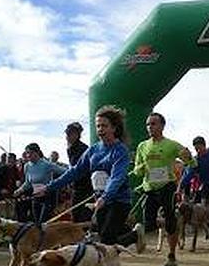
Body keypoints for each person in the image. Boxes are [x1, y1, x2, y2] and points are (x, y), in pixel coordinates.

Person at [39, 106, 144, 252]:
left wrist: (106, 196)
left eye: (104, 126)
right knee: (105, 236)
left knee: (106, 239)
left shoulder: (120, 151)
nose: (100, 129)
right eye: (98, 126)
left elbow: (116, 177)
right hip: (100, 200)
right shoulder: (93, 150)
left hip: (119, 200)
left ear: (114, 128)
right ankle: (134, 236)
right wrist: (49, 187)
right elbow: (75, 171)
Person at [133, 112, 194, 266]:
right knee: (149, 225)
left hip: (167, 186)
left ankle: (171, 255)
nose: (150, 127)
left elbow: (191, 162)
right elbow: (137, 171)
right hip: (149, 188)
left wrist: (188, 156)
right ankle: (160, 225)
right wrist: (141, 166)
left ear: (162, 126)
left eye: (153, 124)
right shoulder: (142, 146)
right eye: (148, 124)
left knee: (171, 221)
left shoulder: (171, 145)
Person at [14, 143, 67, 225]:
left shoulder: (46, 164)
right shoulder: (27, 166)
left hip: (48, 197)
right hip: (36, 197)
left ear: (37, 152)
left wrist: (56, 184)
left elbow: (64, 171)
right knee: (37, 223)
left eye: (30, 153)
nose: (28, 155)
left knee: (44, 222)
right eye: (27, 153)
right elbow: (28, 183)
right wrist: (19, 190)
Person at [64, 122, 94, 223]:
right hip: (77, 187)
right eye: (67, 134)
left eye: (69, 134)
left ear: (77, 135)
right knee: (75, 214)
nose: (67, 137)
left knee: (84, 216)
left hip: (86, 187)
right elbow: (72, 167)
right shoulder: (70, 149)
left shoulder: (83, 149)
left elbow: (80, 169)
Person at [0, 153, 18, 218]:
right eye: (9, 160)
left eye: (12, 160)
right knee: (1, 219)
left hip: (11, 197)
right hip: (0, 198)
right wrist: (0, 190)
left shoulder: (15, 170)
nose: (11, 162)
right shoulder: (0, 170)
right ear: (6, 160)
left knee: (11, 217)